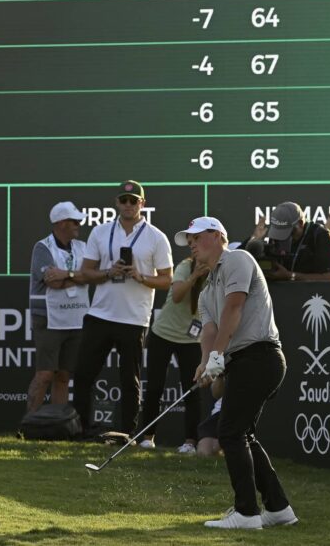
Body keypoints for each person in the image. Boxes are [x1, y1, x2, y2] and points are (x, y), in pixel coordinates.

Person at [177, 216, 296, 530]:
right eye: (188, 241)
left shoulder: (239, 260)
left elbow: (234, 308)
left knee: (229, 433)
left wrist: (218, 356)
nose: (192, 245)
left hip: (260, 357)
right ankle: (278, 507)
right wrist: (206, 362)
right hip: (241, 362)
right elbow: (210, 329)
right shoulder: (205, 291)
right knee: (243, 434)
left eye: (196, 238)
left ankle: (246, 512)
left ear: (217, 236)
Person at [72, 181, 173, 436]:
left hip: (134, 318)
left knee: (130, 381)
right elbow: (85, 273)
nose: (128, 205)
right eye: (124, 200)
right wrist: (109, 272)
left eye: (133, 200)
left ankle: (128, 434)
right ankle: (82, 429)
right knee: (83, 375)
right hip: (100, 314)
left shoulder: (156, 237)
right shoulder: (100, 231)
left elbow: (167, 280)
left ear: (142, 204)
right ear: (117, 202)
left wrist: (141, 277)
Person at [139, 255, 209, 452]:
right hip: (163, 334)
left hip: (192, 339)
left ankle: (190, 442)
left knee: (192, 391)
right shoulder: (185, 266)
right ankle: (147, 437)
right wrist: (194, 275)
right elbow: (177, 296)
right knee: (154, 387)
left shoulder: (219, 273)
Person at [26, 201, 90, 413]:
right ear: (62, 223)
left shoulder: (82, 247)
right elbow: (52, 282)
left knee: (63, 375)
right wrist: (80, 277)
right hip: (48, 317)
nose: (79, 224)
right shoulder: (43, 247)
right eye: (75, 221)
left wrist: (68, 275)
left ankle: (57, 425)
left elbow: (91, 275)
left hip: (76, 317)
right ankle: (29, 424)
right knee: (45, 374)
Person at [261, 201, 330, 282]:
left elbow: (329, 278)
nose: (283, 238)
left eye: (289, 232)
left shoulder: (321, 235)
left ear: (301, 223)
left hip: (314, 293)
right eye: (279, 232)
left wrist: (289, 275)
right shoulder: (275, 238)